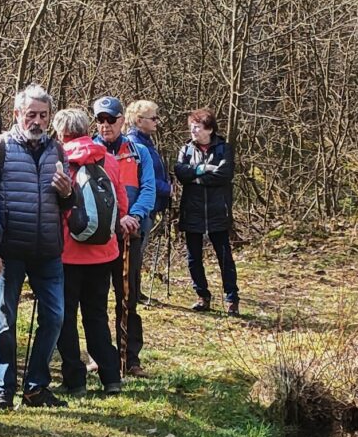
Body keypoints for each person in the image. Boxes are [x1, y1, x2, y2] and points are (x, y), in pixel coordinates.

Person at [0, 86, 76, 409]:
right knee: (4, 320)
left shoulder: (58, 150)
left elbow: (67, 204)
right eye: (31, 115)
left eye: (43, 115)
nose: (37, 121)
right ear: (16, 115)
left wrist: (67, 193)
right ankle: (4, 389)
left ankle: (36, 386)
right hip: (8, 249)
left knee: (55, 317)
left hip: (48, 250)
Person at [55, 108, 134, 395]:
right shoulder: (108, 159)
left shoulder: (59, 161)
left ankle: (74, 380)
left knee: (65, 318)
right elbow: (122, 206)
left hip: (67, 254)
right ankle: (111, 377)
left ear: (61, 133)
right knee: (97, 315)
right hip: (104, 253)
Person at [111, 99, 164, 373]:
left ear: (122, 120)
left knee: (128, 296)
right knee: (95, 300)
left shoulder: (139, 151)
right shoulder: (92, 149)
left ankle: (130, 357)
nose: (106, 125)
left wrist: (134, 216)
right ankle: (102, 355)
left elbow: (148, 189)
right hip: (98, 238)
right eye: (101, 119)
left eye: (111, 119)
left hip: (131, 233)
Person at [175, 107, 239, 314]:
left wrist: (196, 179)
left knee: (224, 257)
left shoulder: (224, 148)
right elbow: (180, 172)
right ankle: (202, 296)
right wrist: (202, 170)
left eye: (197, 127)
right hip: (192, 211)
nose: (193, 131)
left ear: (209, 129)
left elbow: (224, 174)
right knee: (193, 258)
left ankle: (232, 298)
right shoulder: (186, 149)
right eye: (191, 127)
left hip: (217, 210)